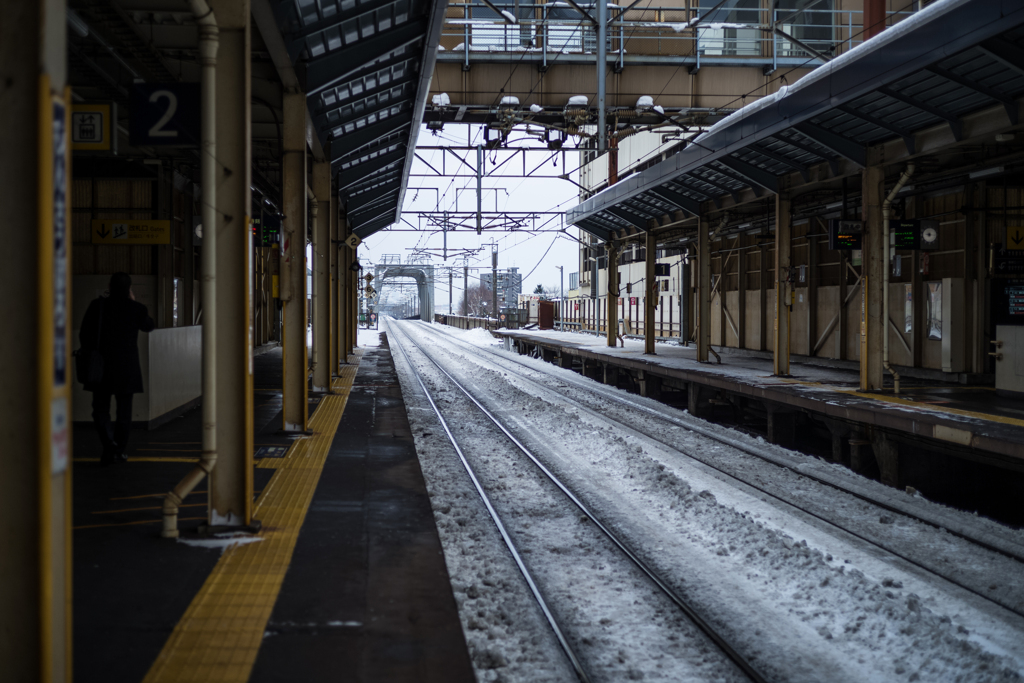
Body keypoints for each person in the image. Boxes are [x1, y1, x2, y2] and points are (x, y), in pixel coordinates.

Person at [79, 273, 155, 465]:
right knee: (124, 412)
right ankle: (119, 450)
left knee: (100, 409)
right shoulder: (137, 309)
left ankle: (109, 444)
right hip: (127, 369)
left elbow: (84, 334)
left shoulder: (98, 306)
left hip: (101, 368)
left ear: (109, 286)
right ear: (129, 289)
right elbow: (149, 326)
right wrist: (134, 301)